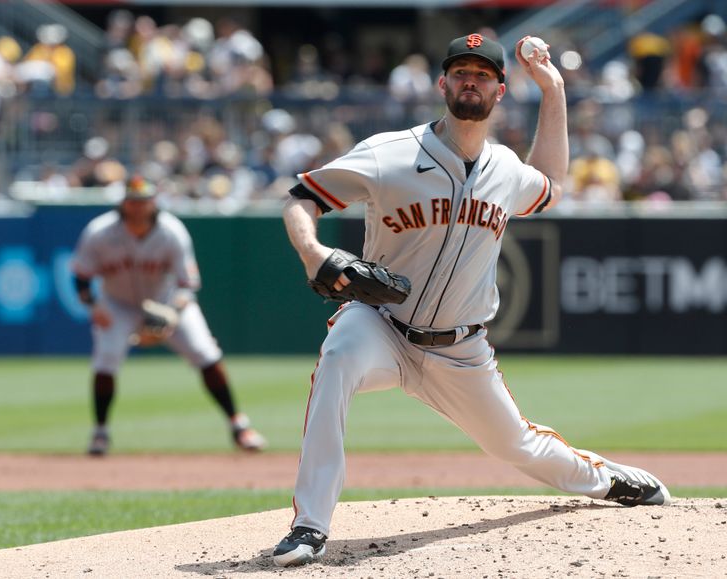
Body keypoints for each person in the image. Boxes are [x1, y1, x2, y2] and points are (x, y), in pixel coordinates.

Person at [272, 33, 670, 568]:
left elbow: (551, 183)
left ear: (499, 90)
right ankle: (309, 526)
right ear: (442, 83)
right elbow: (301, 199)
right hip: (382, 325)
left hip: (460, 350)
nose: (470, 81)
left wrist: (553, 91)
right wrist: (313, 252)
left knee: (517, 447)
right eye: (460, 71)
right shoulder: (389, 153)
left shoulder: (505, 169)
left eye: (482, 74)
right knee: (338, 357)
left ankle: (611, 480)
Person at [71, 174, 266, 456]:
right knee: (107, 358)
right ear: (123, 203)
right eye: (133, 201)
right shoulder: (100, 232)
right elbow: (80, 276)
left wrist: (171, 314)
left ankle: (239, 426)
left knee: (205, 352)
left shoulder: (171, 231)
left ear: (153, 202)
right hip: (118, 304)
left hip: (166, 301)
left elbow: (187, 285)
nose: (138, 207)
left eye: (144, 201)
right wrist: (93, 307)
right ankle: (100, 433)